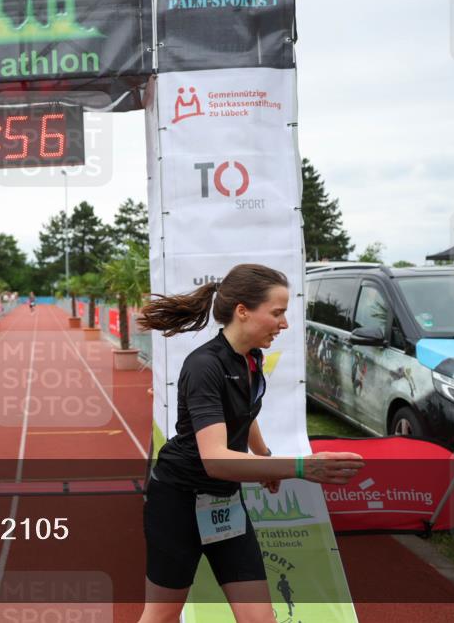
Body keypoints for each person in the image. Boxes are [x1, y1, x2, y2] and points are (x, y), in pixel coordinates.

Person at [135, 264, 364, 623]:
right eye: (277, 313)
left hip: (225, 502)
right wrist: (302, 467)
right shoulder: (203, 366)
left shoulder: (251, 358)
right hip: (177, 503)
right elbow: (215, 459)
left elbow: (243, 411)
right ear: (243, 311)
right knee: (161, 616)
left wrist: (263, 456)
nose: (284, 324)